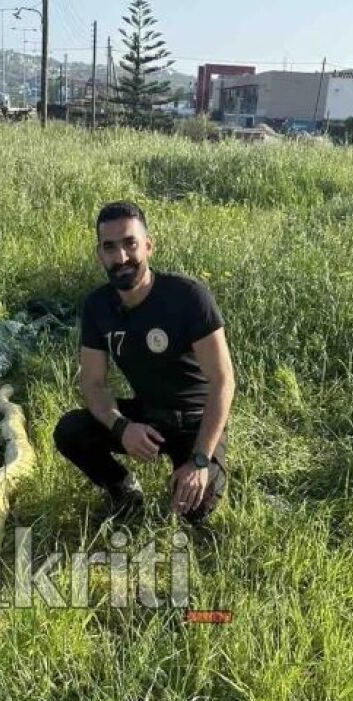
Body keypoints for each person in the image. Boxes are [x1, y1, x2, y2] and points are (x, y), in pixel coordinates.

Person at [53, 200, 236, 524]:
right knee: (70, 430)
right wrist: (122, 427)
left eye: (130, 244)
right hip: (148, 415)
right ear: (100, 255)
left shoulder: (189, 297)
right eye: (110, 247)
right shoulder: (97, 306)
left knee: (195, 510)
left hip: (195, 421)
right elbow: (93, 383)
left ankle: (201, 469)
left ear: (148, 246)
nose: (121, 257)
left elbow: (223, 382)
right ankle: (124, 489)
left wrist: (199, 460)